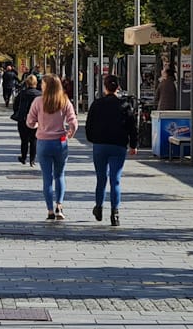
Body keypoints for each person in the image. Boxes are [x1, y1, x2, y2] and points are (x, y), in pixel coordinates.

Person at [85, 74, 138, 227]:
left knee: (101, 178)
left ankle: (99, 206)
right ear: (118, 88)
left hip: (100, 145)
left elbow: (89, 125)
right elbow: (132, 127)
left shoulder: (97, 104)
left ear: (105, 87)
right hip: (118, 145)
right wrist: (133, 145)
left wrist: (93, 139)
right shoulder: (124, 105)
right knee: (115, 180)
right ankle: (115, 212)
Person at [26, 75, 78, 220]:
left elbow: (30, 122)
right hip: (60, 141)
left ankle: (49, 210)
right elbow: (73, 121)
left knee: (47, 178)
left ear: (46, 86)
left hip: (43, 142)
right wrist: (70, 132)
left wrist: (37, 125)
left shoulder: (38, 101)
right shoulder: (64, 100)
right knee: (60, 175)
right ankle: (59, 206)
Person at [12, 74, 41, 166]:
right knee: (34, 140)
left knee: (24, 140)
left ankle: (23, 157)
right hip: (36, 120)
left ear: (27, 83)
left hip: (23, 119)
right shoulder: (40, 94)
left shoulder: (22, 93)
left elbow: (15, 105)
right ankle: (32, 160)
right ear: (36, 83)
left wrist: (17, 113)